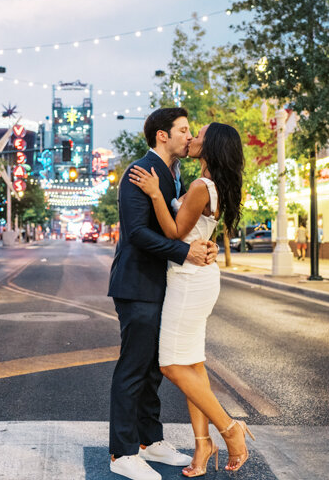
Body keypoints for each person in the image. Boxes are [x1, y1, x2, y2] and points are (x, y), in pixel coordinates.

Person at [128, 122, 255, 477]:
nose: (192, 139)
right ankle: (203, 443)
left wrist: (155, 193)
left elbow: (174, 232)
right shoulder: (208, 185)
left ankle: (230, 430)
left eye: (198, 135)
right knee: (193, 365)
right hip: (194, 277)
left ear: (211, 146)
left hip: (188, 282)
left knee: (171, 365)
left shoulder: (201, 186)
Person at [107, 107, 218, 480]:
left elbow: (181, 226)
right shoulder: (141, 172)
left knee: (153, 369)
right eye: (183, 130)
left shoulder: (173, 175)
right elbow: (136, 233)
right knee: (133, 368)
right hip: (137, 285)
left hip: (161, 285)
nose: (189, 137)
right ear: (162, 136)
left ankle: (149, 440)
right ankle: (122, 453)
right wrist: (185, 252)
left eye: (190, 131)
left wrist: (203, 244)